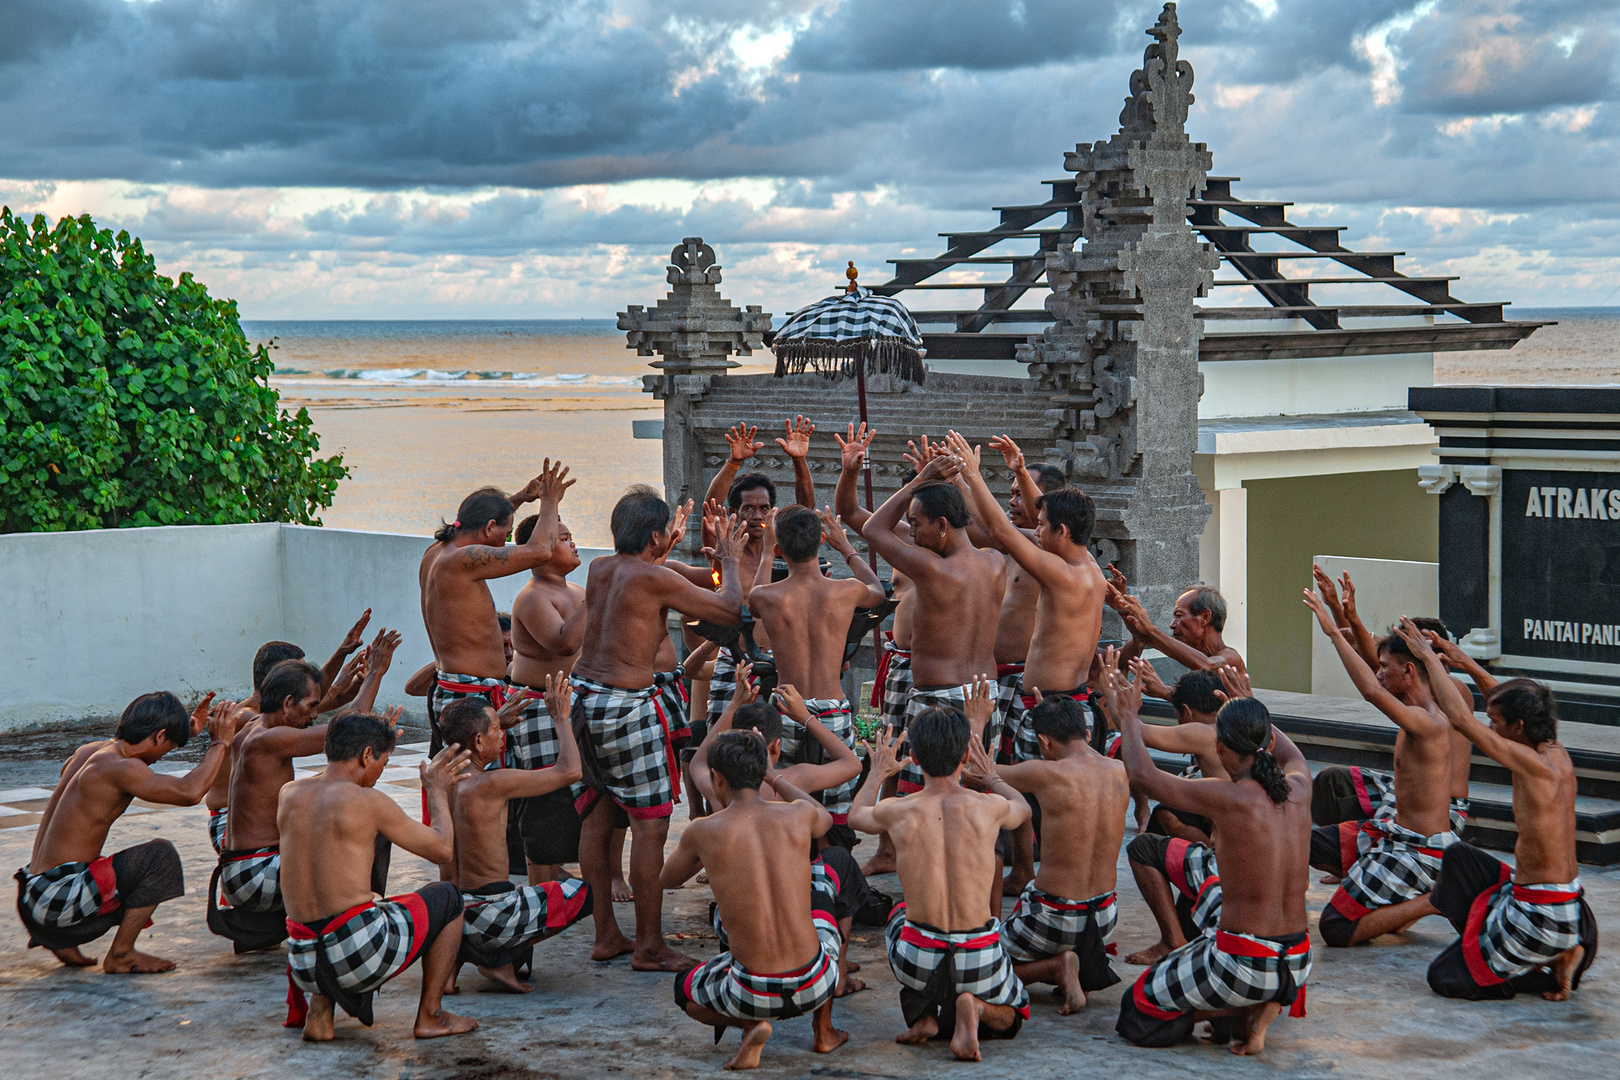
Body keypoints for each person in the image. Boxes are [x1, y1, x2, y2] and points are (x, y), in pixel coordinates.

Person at [571, 486, 746, 970]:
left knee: (599, 814)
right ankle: (648, 945)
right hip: (626, 707)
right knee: (651, 826)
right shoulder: (654, 579)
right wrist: (727, 559)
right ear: (655, 536)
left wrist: (662, 556)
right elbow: (729, 609)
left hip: (585, 700)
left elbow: (645, 580)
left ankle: (607, 934)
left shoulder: (600, 569)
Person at [1106, 661, 1313, 1056]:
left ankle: (1234, 1009)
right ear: (1266, 743)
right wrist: (1249, 703)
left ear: (1219, 748)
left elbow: (1143, 777)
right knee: (1212, 907)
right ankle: (1256, 1009)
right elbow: (1292, 753)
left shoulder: (1227, 797)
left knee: (1139, 1007)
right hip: (1297, 962)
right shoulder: (1300, 787)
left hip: (1244, 964)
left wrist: (1128, 716)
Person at [1390, 624, 1598, 1001]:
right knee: (1457, 857)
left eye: (1497, 722)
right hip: (1565, 903)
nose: (1491, 726)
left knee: (1445, 977)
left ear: (1517, 727)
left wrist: (1425, 657)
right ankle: (1561, 946)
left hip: (1542, 915)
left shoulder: (1534, 766)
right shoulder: (1554, 751)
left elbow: (1463, 721)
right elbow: (1502, 696)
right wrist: (1461, 659)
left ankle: (1553, 961)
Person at [948, 430, 1106, 894]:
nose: (1033, 532)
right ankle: (1027, 869)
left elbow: (1000, 532)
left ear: (1060, 533)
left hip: (1051, 703)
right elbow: (1040, 518)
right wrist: (1018, 473)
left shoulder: (1060, 573)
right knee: (1045, 795)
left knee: (1022, 791)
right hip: (1067, 700)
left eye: (1042, 528)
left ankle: (1028, 871)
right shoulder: (1087, 567)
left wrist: (973, 477)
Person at [279, 713, 478, 1041]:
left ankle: (321, 1012)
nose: (379, 773)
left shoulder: (289, 793)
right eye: (382, 763)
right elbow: (442, 850)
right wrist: (437, 792)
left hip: (303, 962)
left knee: (349, 899)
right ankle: (431, 1015)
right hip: (357, 956)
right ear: (366, 755)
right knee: (449, 898)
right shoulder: (368, 802)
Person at [850, 709, 1031, 1062]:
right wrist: (992, 777)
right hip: (979, 954)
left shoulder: (898, 810)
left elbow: (856, 815)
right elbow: (1022, 806)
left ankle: (926, 1016)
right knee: (1013, 1015)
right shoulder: (989, 807)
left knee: (899, 915)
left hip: (919, 960)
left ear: (914, 759)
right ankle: (975, 1009)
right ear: (965, 756)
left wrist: (877, 773)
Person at [663, 730, 847, 1069]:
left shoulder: (704, 830)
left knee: (684, 991)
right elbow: (825, 818)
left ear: (717, 778)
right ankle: (824, 1031)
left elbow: (667, 879)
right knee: (821, 902)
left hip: (751, 992)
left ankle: (751, 1027)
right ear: (761, 769)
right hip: (819, 981)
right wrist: (772, 776)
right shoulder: (797, 815)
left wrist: (710, 853)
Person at [17, 692, 238, 972]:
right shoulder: (122, 768)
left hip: (33, 892)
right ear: (159, 736)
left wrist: (187, 729)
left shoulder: (91, 753)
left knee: (99, 862)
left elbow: (143, 752)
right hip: (56, 900)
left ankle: (58, 938)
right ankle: (121, 953)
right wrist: (220, 742)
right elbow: (190, 792)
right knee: (159, 858)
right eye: (168, 746)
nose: (162, 757)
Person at [692, 672, 870, 996]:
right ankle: (838, 968)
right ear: (776, 746)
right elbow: (852, 764)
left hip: (740, 900)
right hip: (796, 897)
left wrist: (733, 704)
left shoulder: (719, 787)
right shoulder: (793, 779)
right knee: (840, 860)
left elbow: (695, 764)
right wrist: (806, 718)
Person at [1304, 587, 1458, 947]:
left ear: (1408, 671)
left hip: (1420, 852)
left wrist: (1330, 632)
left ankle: (1433, 900)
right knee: (1302, 841)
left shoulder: (1431, 721)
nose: (1378, 675)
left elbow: (1370, 691)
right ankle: (1402, 903)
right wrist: (1347, 618)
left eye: (1385, 669)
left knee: (1335, 929)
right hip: (1394, 836)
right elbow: (1371, 669)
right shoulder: (1413, 710)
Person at [860, 453, 1005, 798]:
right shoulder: (997, 561)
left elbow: (872, 529)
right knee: (975, 797)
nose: (910, 533)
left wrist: (919, 479)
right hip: (985, 697)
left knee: (923, 802)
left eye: (916, 523)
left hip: (937, 702)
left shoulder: (932, 568)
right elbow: (992, 528)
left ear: (941, 525)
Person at [438, 678, 593, 994]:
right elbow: (570, 771)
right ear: (479, 742)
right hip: (490, 913)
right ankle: (497, 959)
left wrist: (496, 717)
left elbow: (466, 734)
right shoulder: (490, 784)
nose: (503, 734)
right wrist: (560, 718)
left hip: (453, 916)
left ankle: (456, 961)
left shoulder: (444, 776)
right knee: (582, 894)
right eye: (496, 730)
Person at [1308, 568, 1477, 846]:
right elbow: (1376, 665)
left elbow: (1373, 680)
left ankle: (1353, 859)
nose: (1386, 670)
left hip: (1445, 808)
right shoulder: (1415, 683)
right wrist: (1339, 610)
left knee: (1374, 837)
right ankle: (1349, 858)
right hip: (1409, 791)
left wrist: (1346, 626)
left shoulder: (1450, 690)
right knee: (1332, 782)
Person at [746, 505, 886, 823]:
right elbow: (879, 590)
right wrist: (846, 547)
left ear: (780, 549)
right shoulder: (847, 590)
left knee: (781, 804)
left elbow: (751, 604)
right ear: (822, 540)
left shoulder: (766, 596)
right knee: (835, 812)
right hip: (833, 712)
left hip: (785, 709)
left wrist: (767, 550)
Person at [419, 461, 573, 751]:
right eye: (505, 532)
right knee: (475, 786)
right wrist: (550, 502)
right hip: (469, 695)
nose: (506, 542)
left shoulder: (436, 552)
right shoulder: (463, 560)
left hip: (456, 687)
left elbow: (485, 516)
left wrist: (520, 497)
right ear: (489, 527)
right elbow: (540, 551)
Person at [994, 693, 1128, 1014]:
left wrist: (975, 720)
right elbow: (1083, 753)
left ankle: (1055, 967)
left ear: (1044, 741)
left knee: (978, 964)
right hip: (1103, 918)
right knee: (1030, 894)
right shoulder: (1120, 770)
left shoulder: (1044, 772)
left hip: (1055, 919)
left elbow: (974, 769)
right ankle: (1068, 961)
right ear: (1084, 732)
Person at [205, 616, 373, 854]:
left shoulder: (273, 716)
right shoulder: (246, 718)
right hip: (227, 824)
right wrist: (374, 674)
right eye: (298, 672)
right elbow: (340, 714)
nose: (313, 714)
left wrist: (343, 655)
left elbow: (324, 700)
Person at [833, 422, 916, 876]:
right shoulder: (902, 535)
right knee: (888, 754)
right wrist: (851, 468)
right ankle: (886, 849)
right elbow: (848, 511)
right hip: (901, 666)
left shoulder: (969, 548)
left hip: (940, 671)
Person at [700, 418, 818, 735]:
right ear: (735, 512)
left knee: (782, 748)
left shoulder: (782, 549)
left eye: (764, 508)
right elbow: (709, 509)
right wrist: (733, 463)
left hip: (783, 662)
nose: (757, 515)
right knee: (724, 744)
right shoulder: (725, 550)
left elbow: (806, 510)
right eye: (749, 508)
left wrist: (799, 459)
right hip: (735, 663)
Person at [506, 512, 590, 886]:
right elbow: (563, 641)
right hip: (538, 705)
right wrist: (599, 596)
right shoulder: (532, 597)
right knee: (546, 792)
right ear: (540, 550)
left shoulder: (577, 592)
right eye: (564, 538)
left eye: (571, 536)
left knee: (586, 788)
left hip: (574, 699)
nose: (573, 543)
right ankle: (541, 878)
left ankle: (602, 873)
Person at [1108, 579, 1247, 676]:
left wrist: (1151, 630)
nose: (1172, 625)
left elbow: (1207, 666)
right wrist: (1123, 608)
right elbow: (1143, 639)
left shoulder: (1230, 657)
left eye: (1179, 616)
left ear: (1204, 617)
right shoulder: (1194, 660)